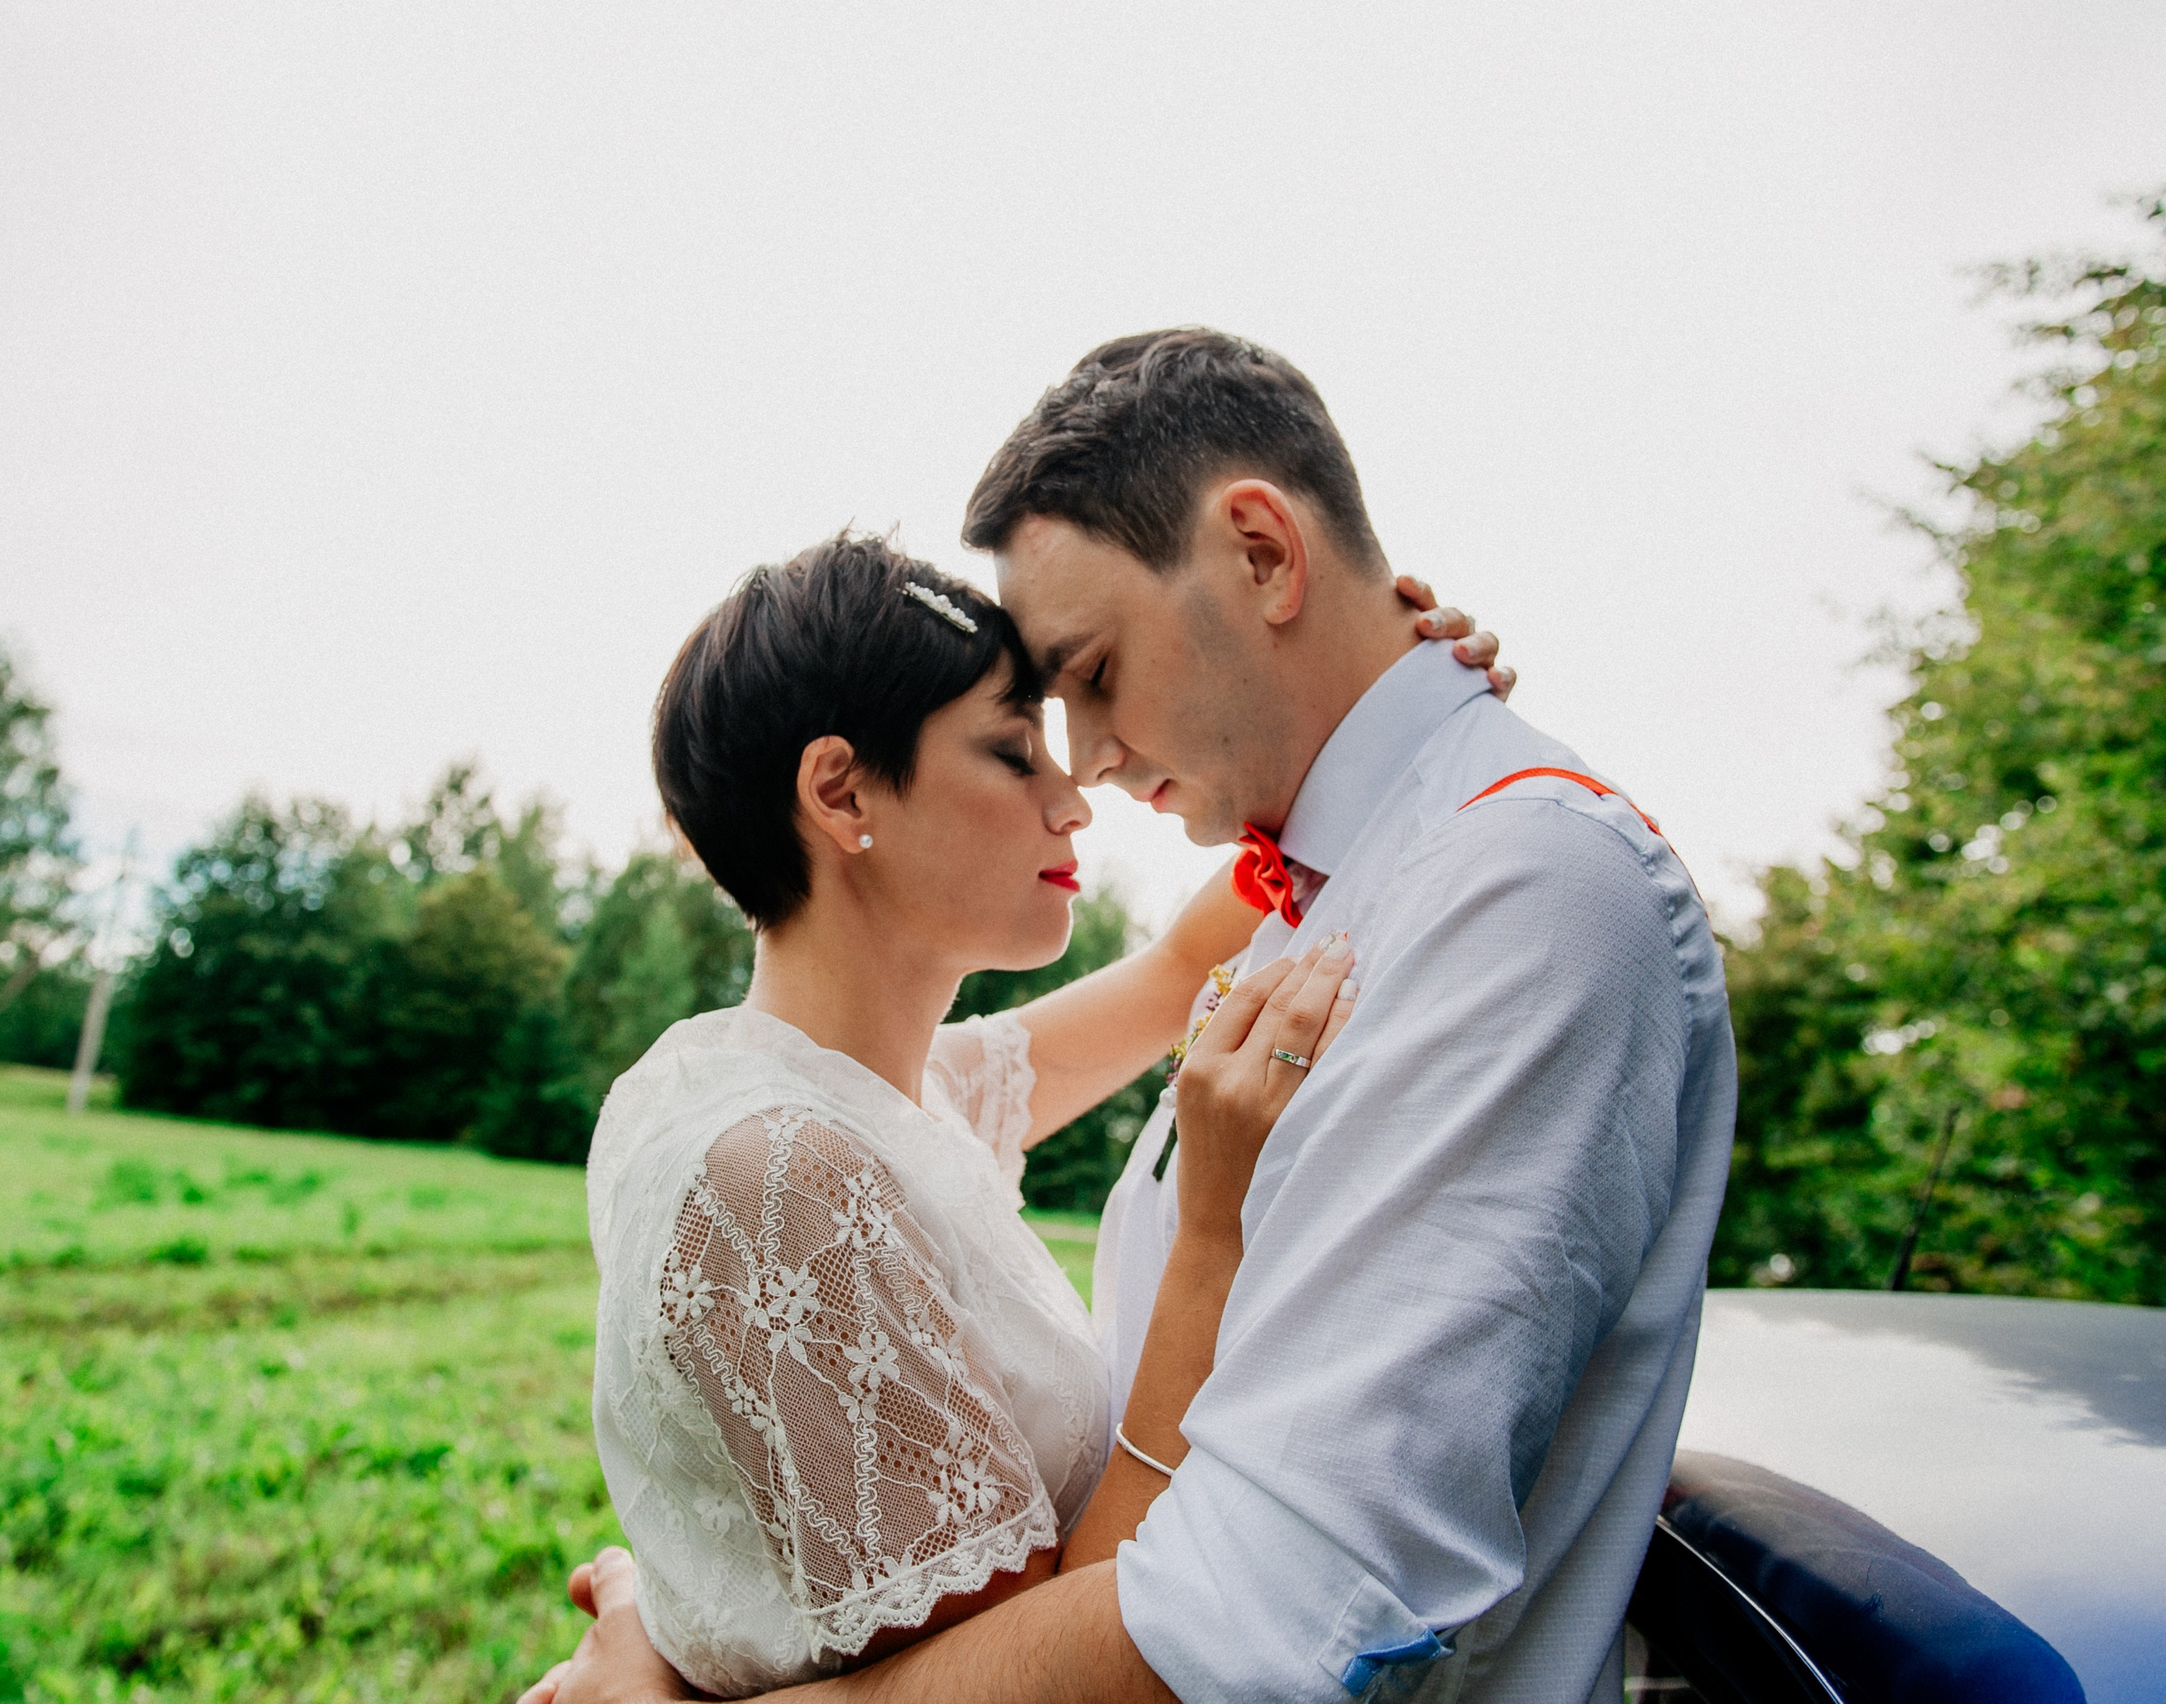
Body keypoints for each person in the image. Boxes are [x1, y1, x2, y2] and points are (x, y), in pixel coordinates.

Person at [536, 328, 1732, 1704]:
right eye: (1027, 732)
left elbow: (1262, 1618)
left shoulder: (1515, 894)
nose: (1082, 777)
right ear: (840, 794)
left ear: (1266, 556)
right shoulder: (1334, 900)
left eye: (1092, 677)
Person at [571, 533, 1501, 1697]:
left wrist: (1381, 700)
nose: (1076, 805)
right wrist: (1213, 1232)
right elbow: (1044, 1670)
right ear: (842, 791)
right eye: (1016, 754)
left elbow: (1174, 971)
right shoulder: (779, 1172)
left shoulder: (880, 1094)